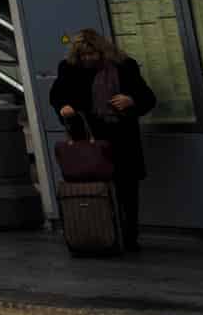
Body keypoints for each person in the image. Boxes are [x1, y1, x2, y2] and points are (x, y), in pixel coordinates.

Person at [49, 27, 157, 252]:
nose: (88, 59)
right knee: (91, 188)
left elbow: (148, 98)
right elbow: (57, 96)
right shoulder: (69, 69)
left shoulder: (124, 67)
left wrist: (130, 100)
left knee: (126, 190)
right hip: (87, 140)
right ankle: (94, 233)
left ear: (103, 52)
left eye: (92, 54)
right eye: (83, 56)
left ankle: (128, 237)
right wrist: (64, 107)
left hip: (121, 138)